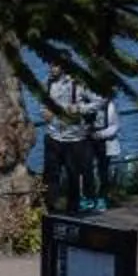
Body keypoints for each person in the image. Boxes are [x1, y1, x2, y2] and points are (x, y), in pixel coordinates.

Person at [43, 69, 101, 214]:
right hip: (53, 135)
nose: (51, 68)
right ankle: (50, 207)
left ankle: (73, 208)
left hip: (74, 138)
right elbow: (43, 102)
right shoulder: (48, 82)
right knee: (51, 174)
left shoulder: (79, 82)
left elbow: (100, 100)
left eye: (55, 65)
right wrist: (44, 111)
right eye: (50, 64)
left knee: (73, 174)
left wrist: (79, 108)